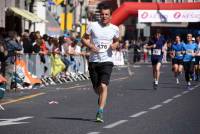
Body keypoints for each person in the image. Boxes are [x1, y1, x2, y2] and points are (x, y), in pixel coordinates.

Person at [81, 3, 119, 123]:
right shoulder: (92, 25)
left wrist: (114, 45)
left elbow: (117, 41)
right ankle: (101, 96)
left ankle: (100, 111)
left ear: (110, 16)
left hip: (107, 61)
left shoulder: (115, 28)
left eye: (106, 14)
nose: (104, 16)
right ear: (99, 15)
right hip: (94, 61)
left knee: (104, 86)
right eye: (102, 14)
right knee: (97, 89)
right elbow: (83, 38)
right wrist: (90, 45)